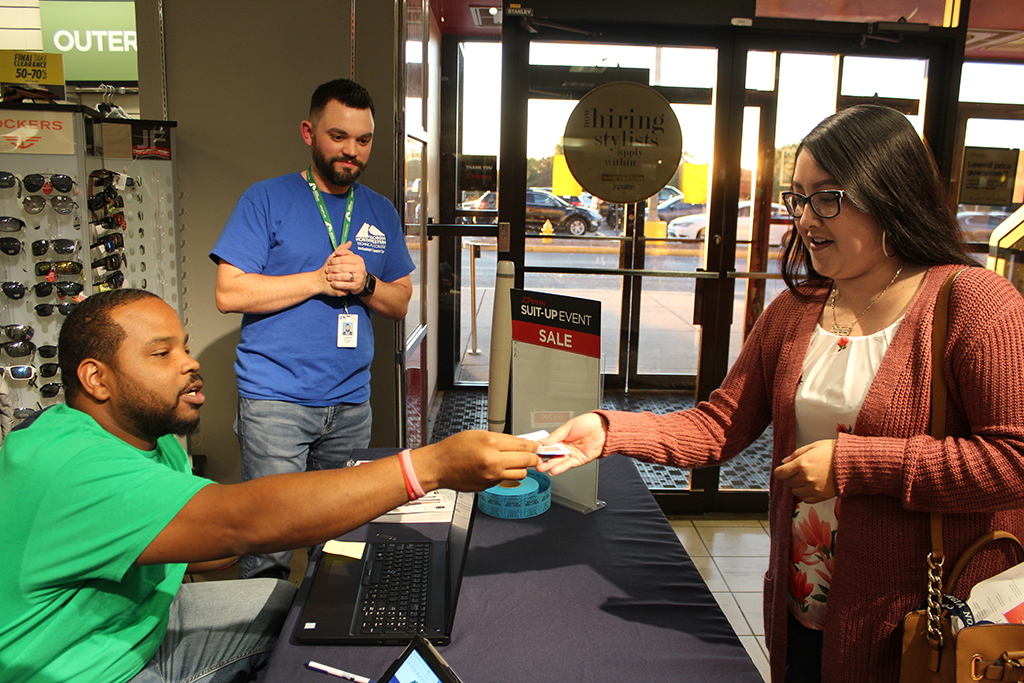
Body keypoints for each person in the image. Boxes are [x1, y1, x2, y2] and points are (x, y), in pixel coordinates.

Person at [537, 105, 1024, 683]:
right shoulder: (797, 311)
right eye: (798, 198)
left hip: (924, 623)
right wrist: (611, 429)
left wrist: (853, 463)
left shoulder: (978, 306)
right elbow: (721, 425)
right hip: (805, 604)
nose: (805, 219)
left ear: (890, 193)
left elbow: (1013, 460)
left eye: (827, 197)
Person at [0, 289, 540, 683]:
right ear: (97, 379)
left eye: (184, 347)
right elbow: (239, 523)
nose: (190, 364)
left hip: (140, 620)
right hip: (92, 668)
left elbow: (202, 552)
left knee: (289, 601)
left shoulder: (146, 432)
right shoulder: (75, 468)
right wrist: (429, 468)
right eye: (162, 354)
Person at [210, 78, 416, 580]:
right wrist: (317, 280)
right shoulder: (266, 199)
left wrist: (366, 283)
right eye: (338, 136)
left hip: (350, 405)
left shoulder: (380, 211)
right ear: (309, 132)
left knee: (341, 540)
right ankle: (257, 657)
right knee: (270, 542)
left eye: (363, 140)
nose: (351, 150)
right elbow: (229, 292)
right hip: (274, 403)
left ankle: (320, 645)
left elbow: (401, 300)